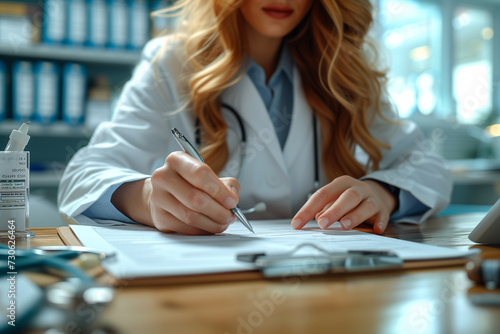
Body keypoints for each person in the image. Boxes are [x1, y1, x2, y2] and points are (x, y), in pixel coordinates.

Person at [58, 0, 452, 235]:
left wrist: (384, 192)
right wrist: (146, 198)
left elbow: (427, 164)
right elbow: (82, 176)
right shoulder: (171, 62)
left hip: (324, 289)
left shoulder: (342, 73)